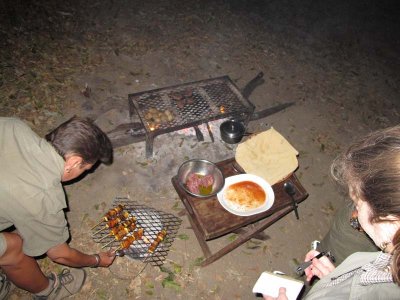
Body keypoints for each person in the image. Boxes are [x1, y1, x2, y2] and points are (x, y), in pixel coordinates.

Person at [263, 125, 400, 299]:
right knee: (322, 252)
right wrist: (337, 279)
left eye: (358, 201)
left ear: (391, 218)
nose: (353, 208)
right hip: (333, 266)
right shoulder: (385, 261)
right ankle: (302, 270)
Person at [0, 116, 116, 300]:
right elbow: (61, 256)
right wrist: (97, 260)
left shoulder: (14, 126)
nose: (85, 173)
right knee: (12, 247)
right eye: (85, 169)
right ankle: (48, 291)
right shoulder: (43, 197)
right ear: (74, 163)